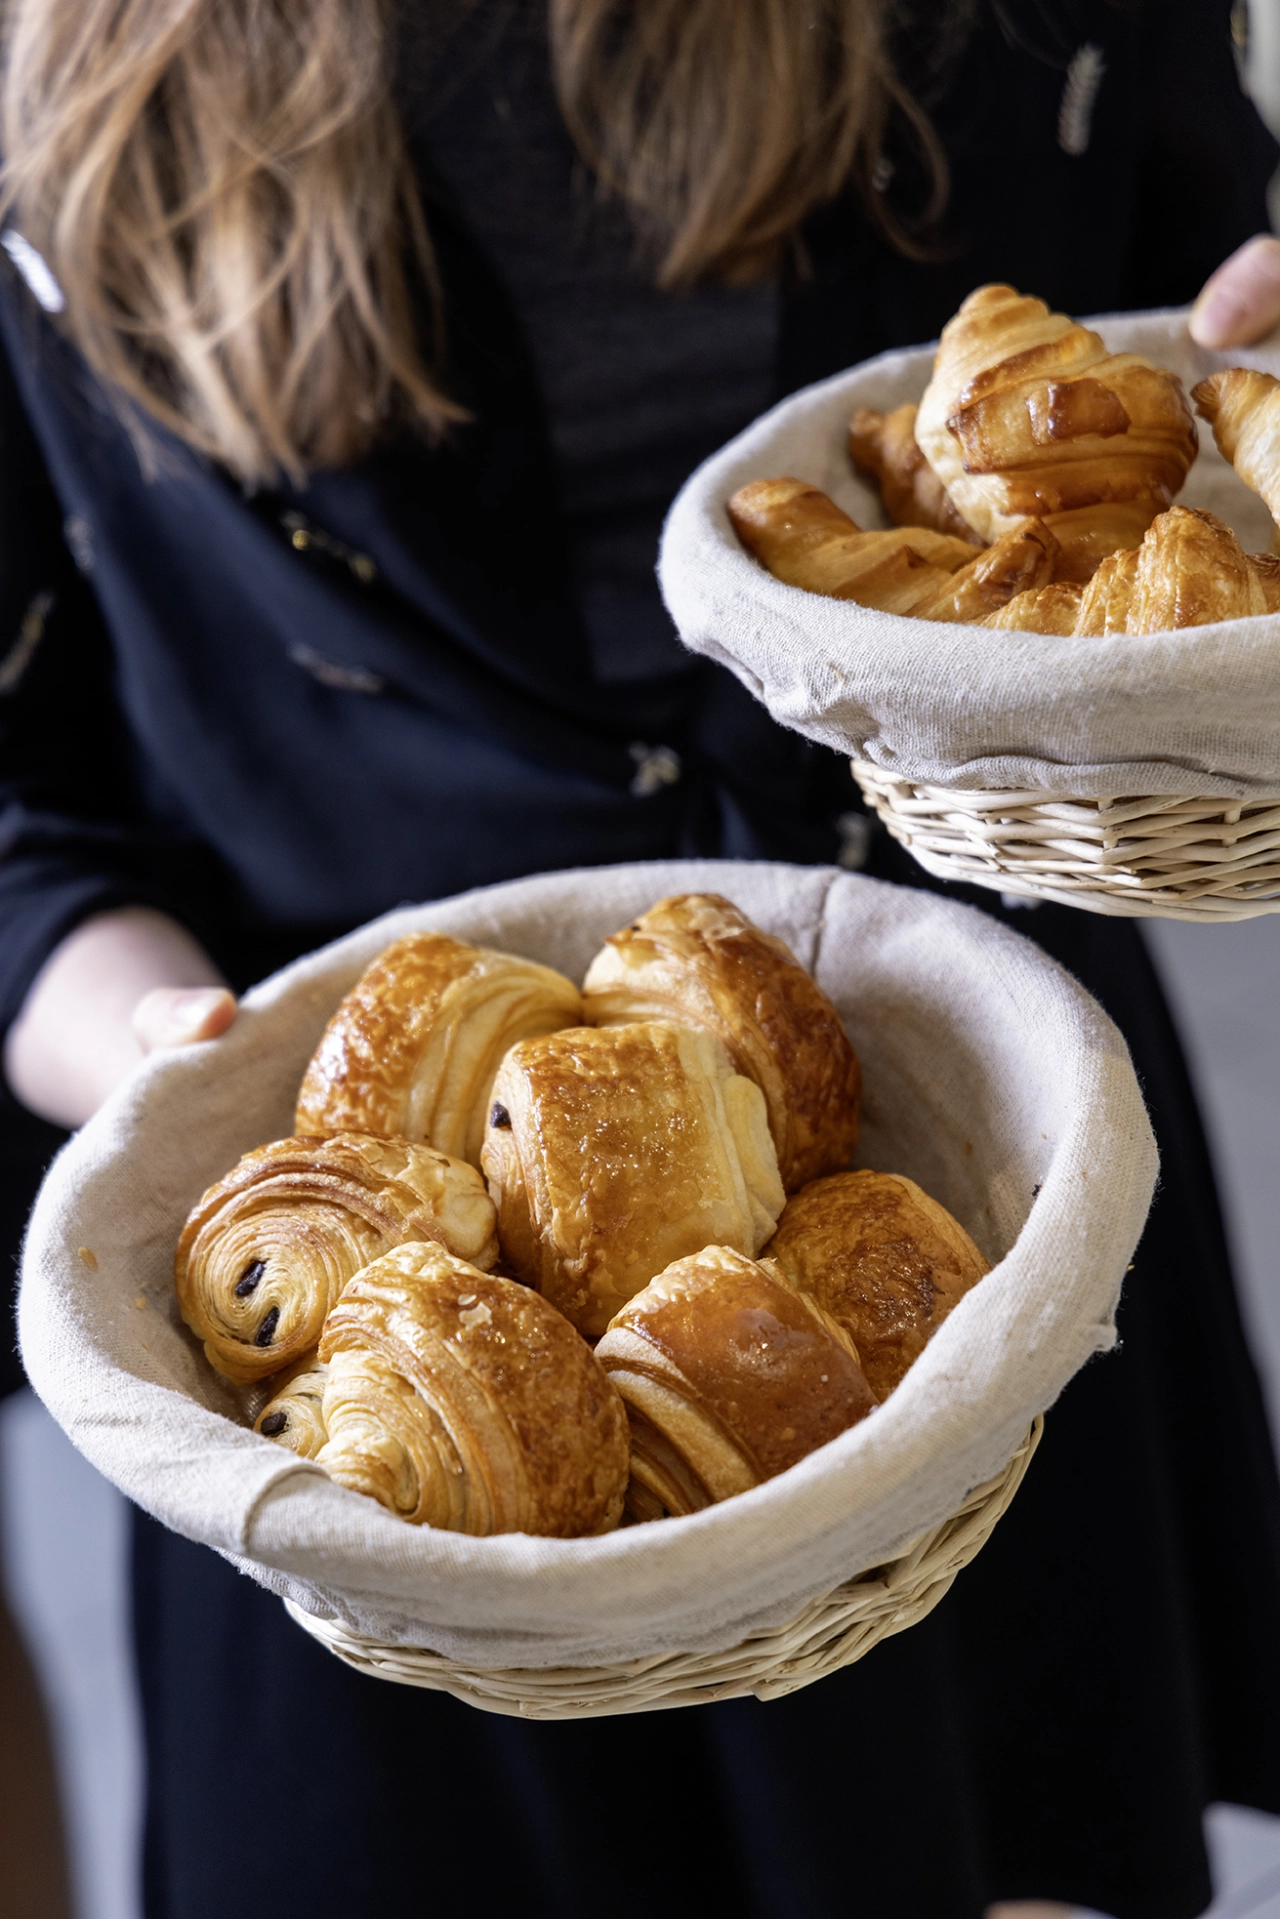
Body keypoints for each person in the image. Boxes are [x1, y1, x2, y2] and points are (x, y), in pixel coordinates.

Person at [1, 3, 1280, 1915]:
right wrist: (194, 1069)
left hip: (949, 1198)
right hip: (367, 1420)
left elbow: (1180, 385)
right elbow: (29, 820)